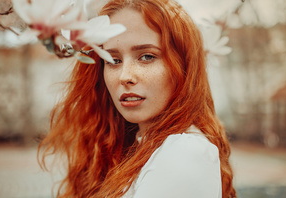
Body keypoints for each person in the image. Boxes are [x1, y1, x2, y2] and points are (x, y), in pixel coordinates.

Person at [38, 0, 236, 197]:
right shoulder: (135, 146)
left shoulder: (184, 153)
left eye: (147, 56)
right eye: (113, 60)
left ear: (184, 66)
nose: (125, 76)